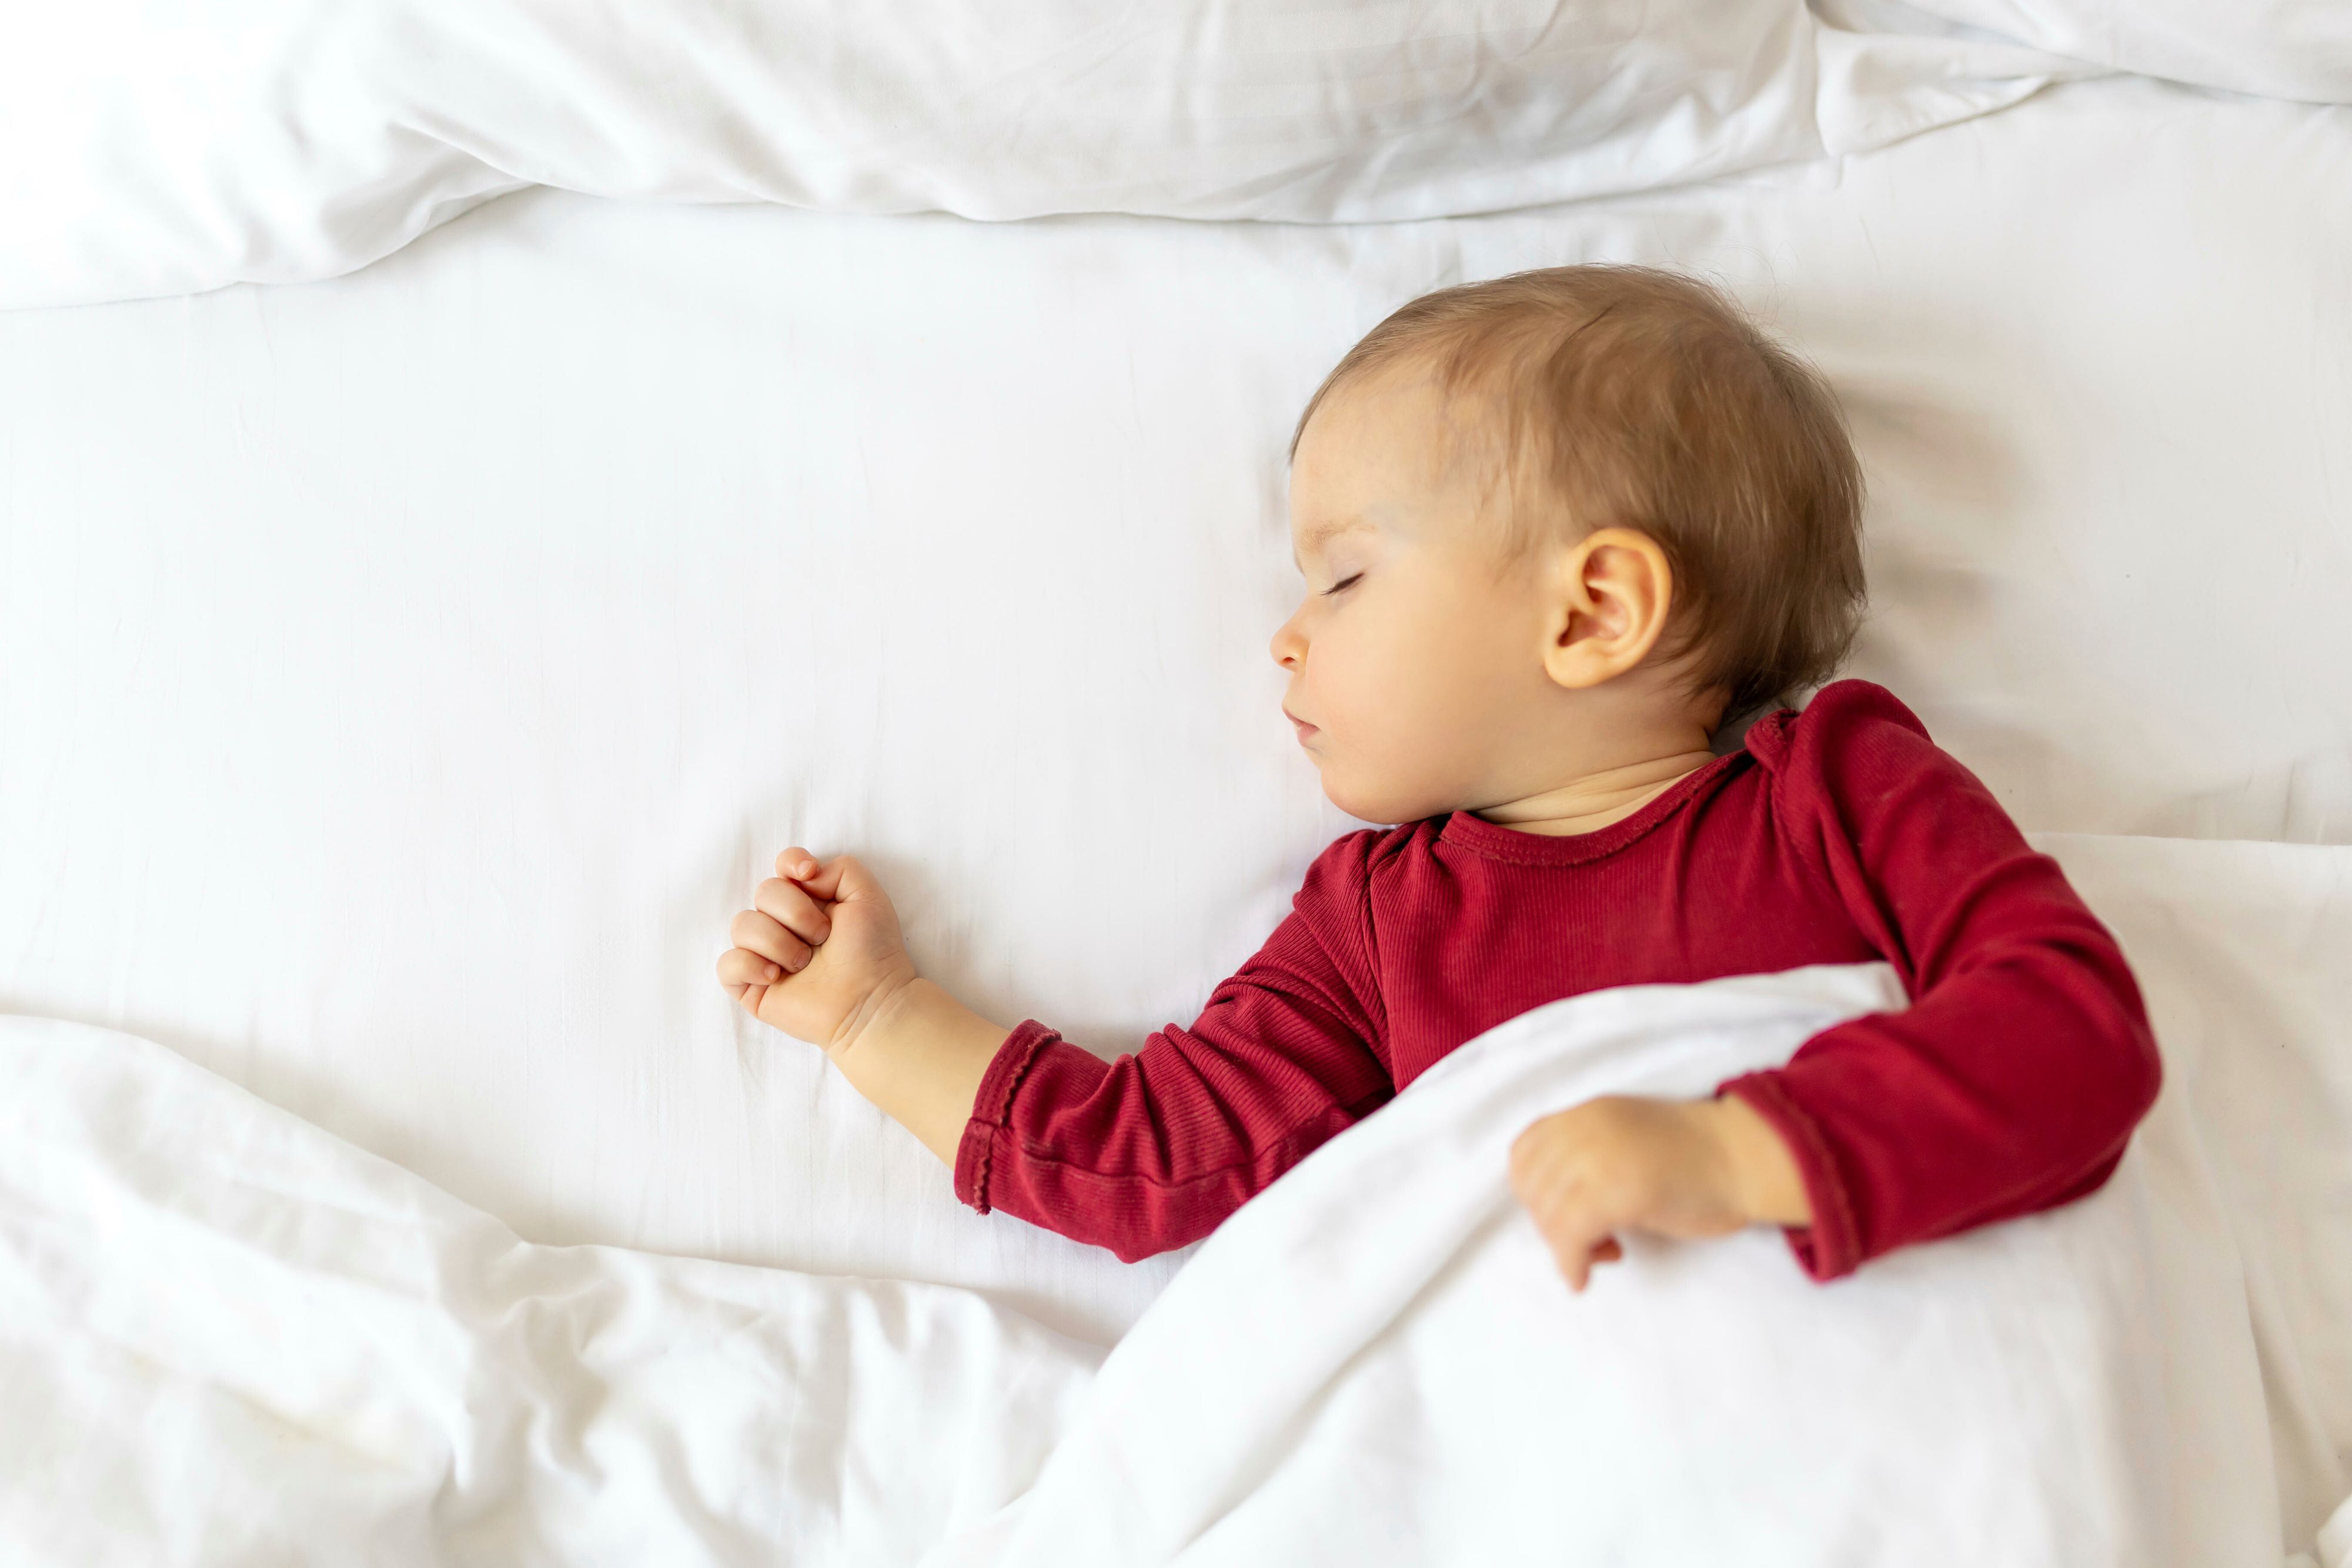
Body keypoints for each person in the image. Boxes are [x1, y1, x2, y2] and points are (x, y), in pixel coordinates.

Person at [715, 265, 2161, 1289]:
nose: (1282, 639)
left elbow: (2073, 1031)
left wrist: (1736, 1156)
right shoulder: (1376, 920)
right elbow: (1161, 1157)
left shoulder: (1834, 791)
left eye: (1342, 574)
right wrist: (878, 1015)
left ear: (1590, 611)